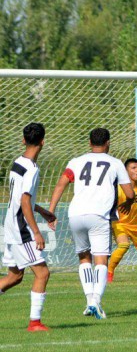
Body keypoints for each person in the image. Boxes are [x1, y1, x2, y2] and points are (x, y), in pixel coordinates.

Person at [48, 128, 134, 319]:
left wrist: (51, 211)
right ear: (108, 143)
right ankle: (96, 302)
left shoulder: (76, 162)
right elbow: (129, 194)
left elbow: (61, 183)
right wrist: (127, 203)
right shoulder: (115, 163)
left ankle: (89, 303)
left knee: (84, 258)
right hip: (99, 216)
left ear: (89, 143)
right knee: (101, 260)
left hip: (76, 214)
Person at [0, 123, 56, 331]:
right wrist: (36, 231)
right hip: (21, 228)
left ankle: (35, 322)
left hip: (11, 224)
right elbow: (24, 202)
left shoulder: (18, 162)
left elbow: (20, 199)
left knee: (15, 276)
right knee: (42, 274)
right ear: (42, 141)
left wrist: (41, 210)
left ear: (24, 140)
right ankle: (35, 323)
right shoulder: (31, 169)